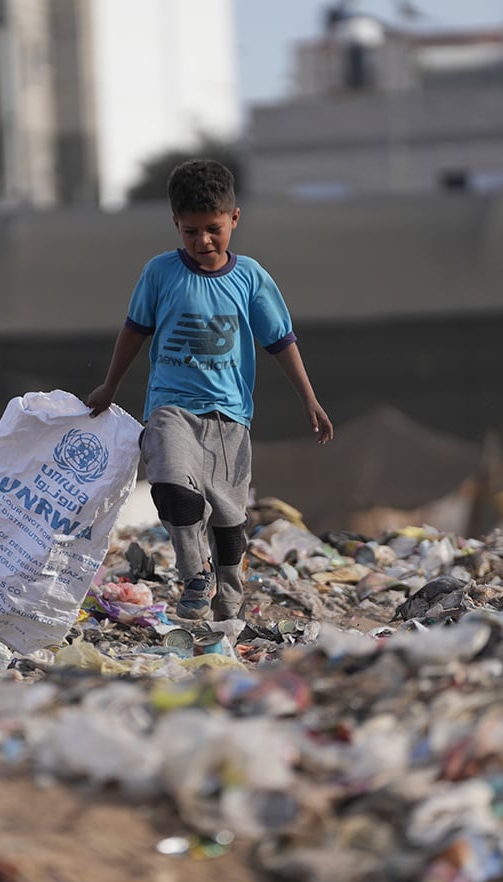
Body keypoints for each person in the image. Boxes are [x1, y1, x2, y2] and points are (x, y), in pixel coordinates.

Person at [86, 158, 333, 621]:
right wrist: (109, 385)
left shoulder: (251, 278)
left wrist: (309, 398)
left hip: (228, 416)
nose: (202, 241)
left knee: (228, 519)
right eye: (190, 231)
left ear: (234, 219)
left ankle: (229, 594)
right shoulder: (160, 274)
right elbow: (134, 331)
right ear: (176, 225)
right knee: (174, 487)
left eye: (213, 229)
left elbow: (281, 341)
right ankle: (193, 573)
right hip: (171, 408)